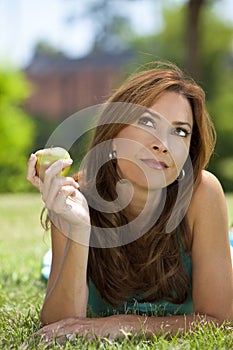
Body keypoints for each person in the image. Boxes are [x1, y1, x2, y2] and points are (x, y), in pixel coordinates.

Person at [26, 62, 233, 342]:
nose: (163, 144)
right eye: (147, 122)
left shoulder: (202, 193)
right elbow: (60, 325)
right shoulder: (76, 197)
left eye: (180, 131)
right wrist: (78, 229)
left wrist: (119, 324)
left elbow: (220, 321)